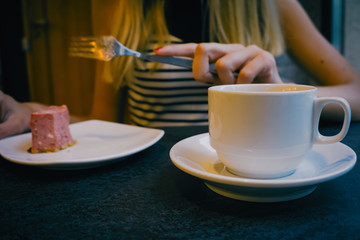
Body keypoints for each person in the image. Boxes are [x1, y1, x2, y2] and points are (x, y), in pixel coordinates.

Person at [0, 0, 359, 140]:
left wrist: (282, 93)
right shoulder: (122, 10)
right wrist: (30, 111)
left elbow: (355, 91)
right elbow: (100, 120)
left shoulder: (271, 5)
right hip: (140, 185)